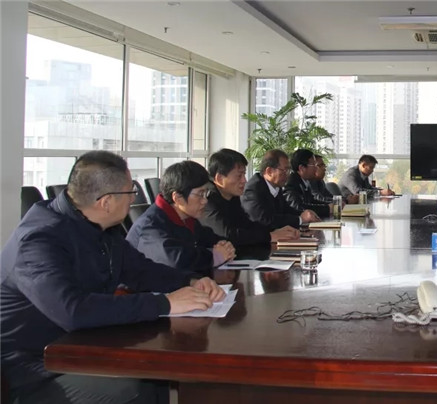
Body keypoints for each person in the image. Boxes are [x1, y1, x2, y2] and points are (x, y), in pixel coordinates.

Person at [0, 151, 225, 404]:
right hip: (34, 371)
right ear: (106, 202)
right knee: (136, 388)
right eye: (130, 192)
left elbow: (140, 270)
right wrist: (166, 303)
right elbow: (73, 310)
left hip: (80, 347)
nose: (134, 199)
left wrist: (190, 281)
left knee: (155, 376)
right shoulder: (39, 240)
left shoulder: (98, 226)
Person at [127, 161, 236, 278]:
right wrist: (214, 257)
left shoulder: (186, 218)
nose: (205, 200)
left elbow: (208, 239)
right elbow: (175, 261)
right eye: (200, 194)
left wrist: (225, 246)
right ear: (177, 197)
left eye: (206, 193)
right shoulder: (151, 226)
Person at [200, 149, 298, 260]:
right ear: (220, 178)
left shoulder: (232, 197)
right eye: (239, 176)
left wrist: (275, 232)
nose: (244, 181)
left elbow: (247, 224)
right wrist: (269, 236)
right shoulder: (206, 200)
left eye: (244, 175)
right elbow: (228, 234)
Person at [241, 149, 320, 229]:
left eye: (288, 170)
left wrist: (305, 214)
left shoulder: (276, 187)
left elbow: (286, 210)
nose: (287, 175)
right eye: (284, 170)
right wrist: (300, 219)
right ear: (269, 171)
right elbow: (264, 220)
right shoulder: (253, 190)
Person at [284, 149, 333, 218]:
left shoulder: (305, 181)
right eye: (314, 165)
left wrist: (331, 205)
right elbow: (297, 207)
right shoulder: (291, 184)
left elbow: (312, 201)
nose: (316, 168)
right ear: (302, 168)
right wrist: (327, 208)